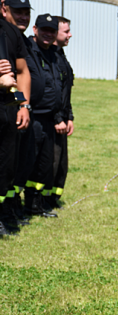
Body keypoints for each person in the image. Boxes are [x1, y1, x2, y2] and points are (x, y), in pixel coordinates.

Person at [24, 14, 64, 218]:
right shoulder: (29, 51)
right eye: (44, 30)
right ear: (35, 29)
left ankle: (36, 206)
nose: (48, 34)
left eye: (51, 31)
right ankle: (19, 207)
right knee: (29, 163)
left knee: (44, 165)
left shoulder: (54, 54)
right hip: (33, 118)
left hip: (49, 118)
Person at [0, 0, 31, 236]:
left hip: (7, 110)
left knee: (5, 166)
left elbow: (21, 72)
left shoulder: (11, 34)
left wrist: (22, 104)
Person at [50, 16, 74, 209]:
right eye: (66, 31)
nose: (70, 35)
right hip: (53, 120)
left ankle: (53, 198)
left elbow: (66, 92)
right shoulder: (50, 57)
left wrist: (70, 117)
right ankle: (41, 201)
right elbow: (53, 92)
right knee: (51, 162)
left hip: (63, 118)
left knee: (62, 163)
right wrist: (58, 118)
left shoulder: (61, 55)